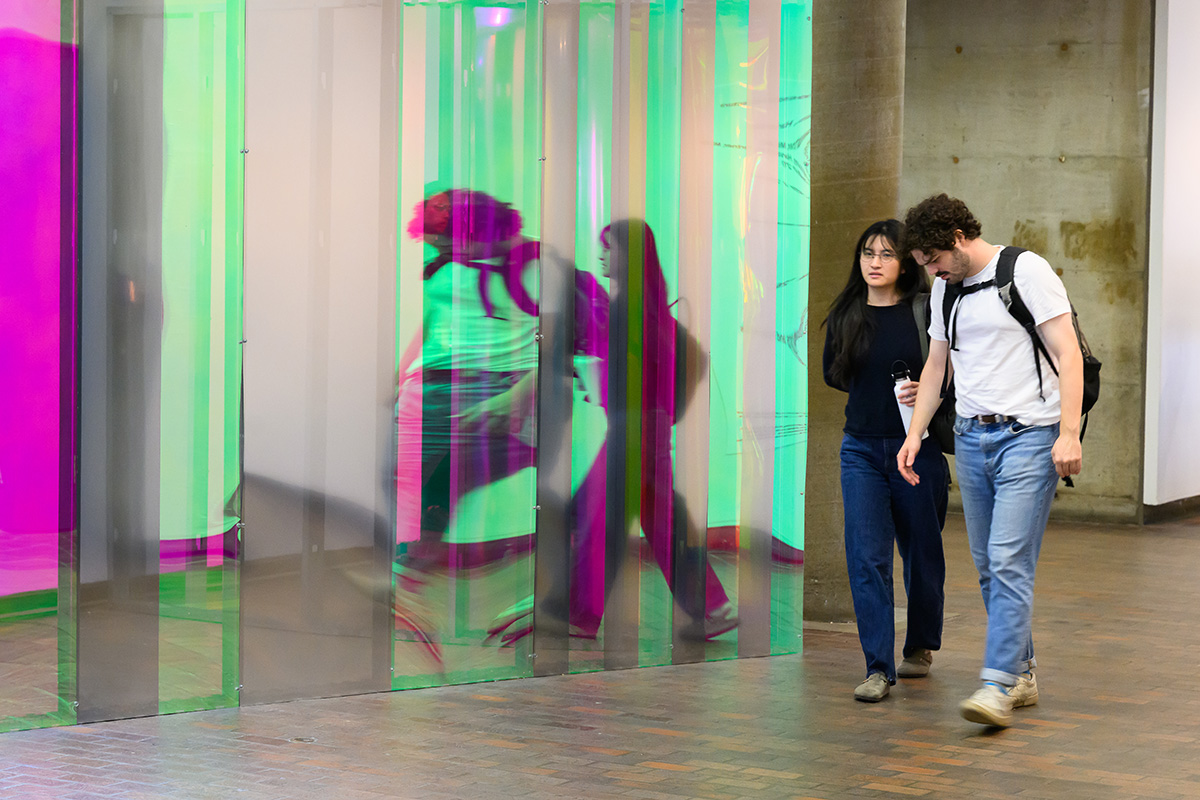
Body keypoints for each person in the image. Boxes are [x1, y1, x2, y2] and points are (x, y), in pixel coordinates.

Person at [897, 194, 1083, 728]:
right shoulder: (943, 290)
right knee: (989, 565)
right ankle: (1021, 671)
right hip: (971, 438)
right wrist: (914, 436)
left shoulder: (1025, 271)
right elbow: (937, 366)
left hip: (1030, 436)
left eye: (933, 259)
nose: (930, 271)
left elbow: (1068, 352)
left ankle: (996, 686)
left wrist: (1068, 432)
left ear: (957, 238)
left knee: (1007, 560)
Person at [822, 219, 948, 703]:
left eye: (886, 255)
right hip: (861, 450)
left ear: (905, 263)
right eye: (868, 254)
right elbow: (835, 373)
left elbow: (952, 369)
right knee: (866, 556)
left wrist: (929, 389)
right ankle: (877, 667)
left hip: (917, 447)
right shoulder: (847, 311)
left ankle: (919, 644)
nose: (875, 263)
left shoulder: (925, 309)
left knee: (922, 551)